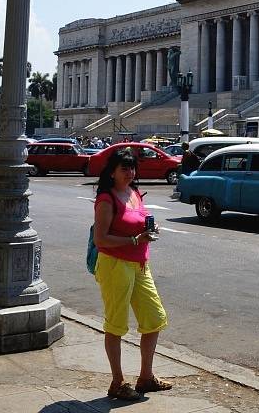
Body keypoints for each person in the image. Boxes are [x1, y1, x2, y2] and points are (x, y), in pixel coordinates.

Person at [93, 149, 171, 400]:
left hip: (139, 265)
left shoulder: (134, 192)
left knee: (154, 318)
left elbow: (139, 221)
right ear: (112, 172)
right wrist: (136, 238)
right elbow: (101, 239)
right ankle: (117, 381)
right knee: (116, 324)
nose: (130, 173)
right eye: (124, 169)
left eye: (132, 168)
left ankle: (146, 378)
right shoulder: (107, 198)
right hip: (115, 265)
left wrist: (151, 229)